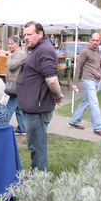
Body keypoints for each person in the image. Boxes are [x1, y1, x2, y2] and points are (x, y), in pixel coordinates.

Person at [16, 21, 63, 171]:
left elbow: (52, 79)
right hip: (34, 108)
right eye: (24, 35)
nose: (26, 38)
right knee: (35, 145)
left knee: (37, 147)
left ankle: (38, 180)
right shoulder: (38, 48)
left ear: (40, 33)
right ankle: (36, 176)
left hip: (38, 110)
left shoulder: (44, 50)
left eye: (30, 34)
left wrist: (59, 95)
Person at [69, 33, 101, 137]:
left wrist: (99, 76)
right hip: (88, 80)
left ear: (100, 41)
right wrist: (75, 83)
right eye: (93, 40)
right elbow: (78, 67)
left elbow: (100, 65)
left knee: (86, 102)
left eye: (97, 40)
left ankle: (74, 121)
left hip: (97, 80)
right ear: (90, 40)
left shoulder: (99, 52)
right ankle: (99, 128)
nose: (95, 42)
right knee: (94, 103)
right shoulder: (85, 51)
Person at [5, 35, 27, 135]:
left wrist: (9, 56)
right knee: (18, 109)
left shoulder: (20, 54)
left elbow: (12, 66)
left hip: (17, 85)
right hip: (14, 84)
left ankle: (3, 125)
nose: (9, 46)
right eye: (9, 44)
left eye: (12, 44)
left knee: (10, 107)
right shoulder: (15, 53)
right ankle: (22, 129)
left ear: (17, 44)